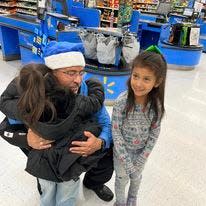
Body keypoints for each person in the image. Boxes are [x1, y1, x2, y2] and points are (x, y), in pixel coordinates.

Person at [0, 41, 114, 202]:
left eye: (81, 72)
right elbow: (6, 127)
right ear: (52, 72)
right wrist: (26, 139)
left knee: (68, 194)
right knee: (47, 190)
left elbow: (105, 122)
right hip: (43, 159)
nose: (78, 80)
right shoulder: (33, 93)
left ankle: (91, 184)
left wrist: (100, 142)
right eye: (70, 72)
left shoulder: (85, 91)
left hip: (72, 160)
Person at [112, 46, 167, 206]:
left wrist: (142, 158)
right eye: (135, 76)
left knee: (136, 178)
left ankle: (132, 199)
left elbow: (155, 132)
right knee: (121, 179)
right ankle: (120, 202)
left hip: (141, 153)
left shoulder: (156, 106)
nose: (138, 83)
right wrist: (128, 162)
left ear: (157, 82)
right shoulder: (121, 102)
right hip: (121, 154)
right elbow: (116, 133)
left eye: (146, 79)